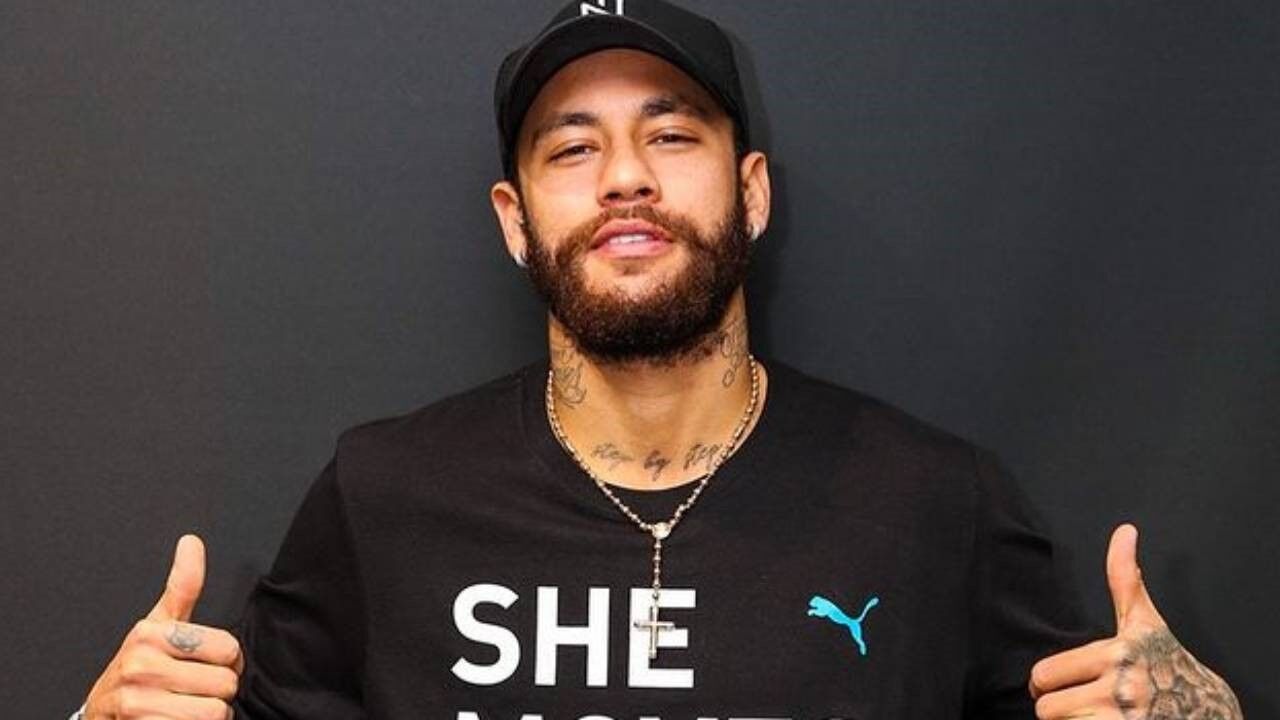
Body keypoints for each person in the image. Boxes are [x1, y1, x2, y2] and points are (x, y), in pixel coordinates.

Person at [76, 1, 1244, 718]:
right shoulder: (381, 496)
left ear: (751, 191)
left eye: (671, 133)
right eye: (570, 148)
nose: (625, 176)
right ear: (513, 220)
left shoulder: (933, 500)